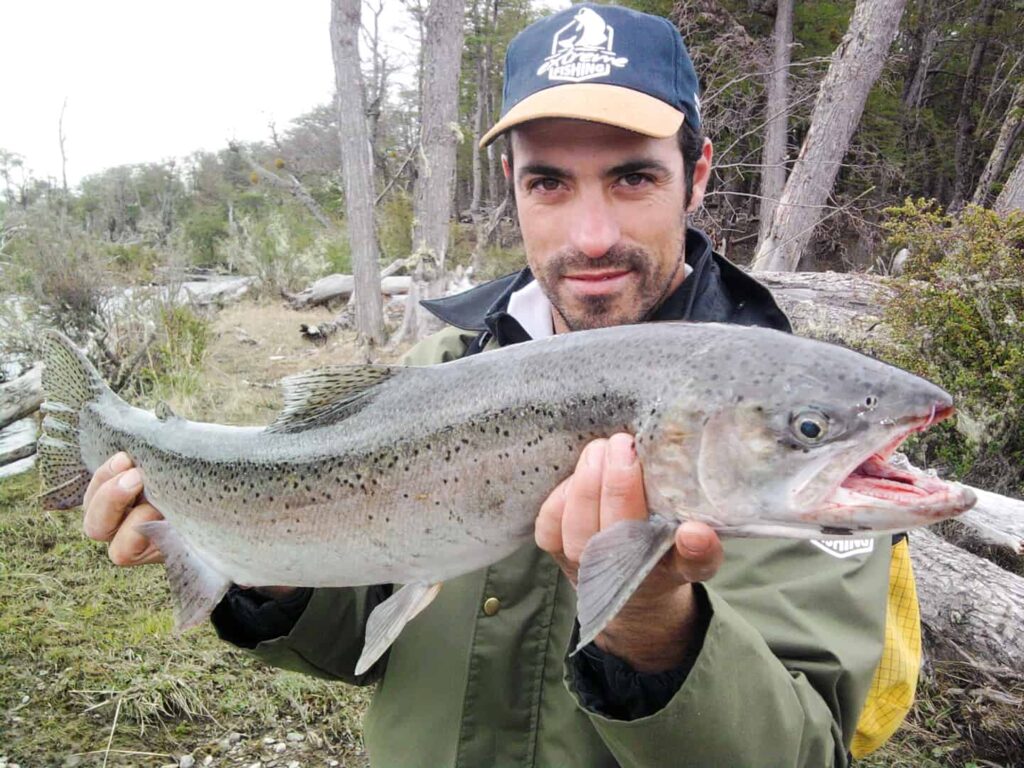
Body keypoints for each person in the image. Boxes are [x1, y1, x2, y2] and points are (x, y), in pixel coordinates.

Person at [81, 5, 909, 765]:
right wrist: (262, 560)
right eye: (549, 182)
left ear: (695, 178)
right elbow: (361, 640)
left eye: (633, 178)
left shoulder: (797, 429)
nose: (591, 236)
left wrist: (655, 628)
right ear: (512, 184)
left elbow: (805, 752)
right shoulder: (440, 368)